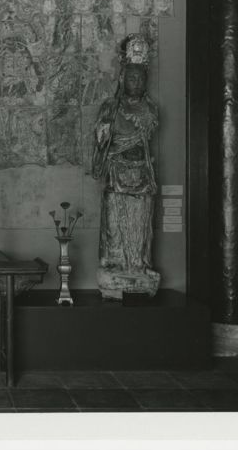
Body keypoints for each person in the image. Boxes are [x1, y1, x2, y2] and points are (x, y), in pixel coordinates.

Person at [90, 34, 161, 299]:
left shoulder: (150, 109)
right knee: (115, 224)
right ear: (122, 79)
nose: (137, 82)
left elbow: (150, 126)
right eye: (131, 77)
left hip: (141, 171)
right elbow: (100, 137)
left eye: (141, 77)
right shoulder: (110, 107)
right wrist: (103, 133)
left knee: (140, 220)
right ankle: (116, 264)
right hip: (116, 170)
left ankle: (138, 264)